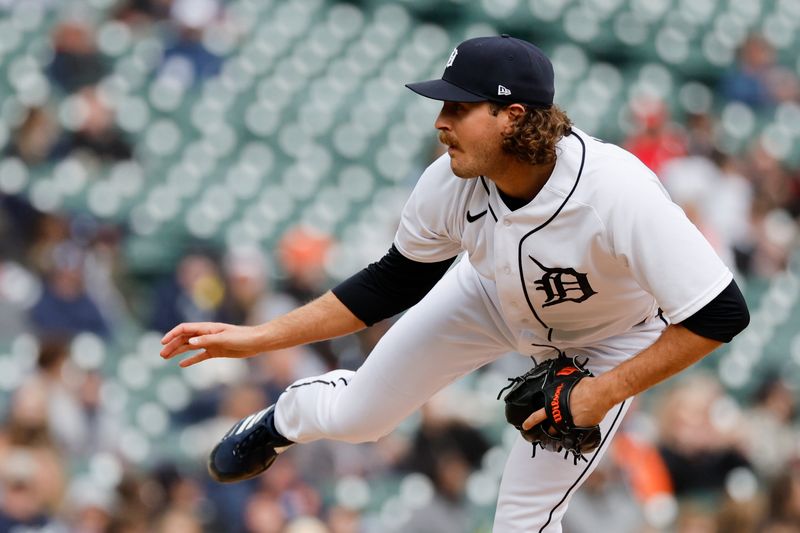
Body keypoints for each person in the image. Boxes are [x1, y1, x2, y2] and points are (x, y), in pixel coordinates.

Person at [160, 35, 750, 531]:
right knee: (360, 419)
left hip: (609, 339)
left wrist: (601, 392)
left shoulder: (617, 193)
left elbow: (722, 313)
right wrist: (257, 338)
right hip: (488, 295)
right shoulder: (451, 182)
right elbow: (388, 284)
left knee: (523, 517)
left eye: (459, 108)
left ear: (513, 116)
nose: (441, 122)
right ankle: (281, 420)